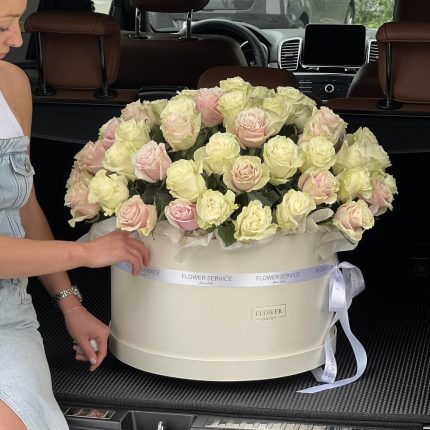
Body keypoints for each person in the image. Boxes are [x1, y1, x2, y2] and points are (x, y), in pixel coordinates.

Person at [0, 1, 150, 429]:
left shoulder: (11, 86)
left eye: (18, 22)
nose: (18, 39)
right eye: (2, 26)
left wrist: (69, 304)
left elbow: (24, 204)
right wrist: (85, 253)